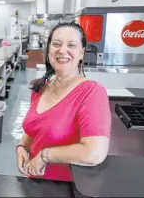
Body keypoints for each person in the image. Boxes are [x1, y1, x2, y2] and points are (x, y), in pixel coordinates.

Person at [16, 22, 111, 182]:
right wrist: (21, 147)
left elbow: (94, 153)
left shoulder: (91, 92)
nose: (62, 50)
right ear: (48, 51)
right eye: (56, 44)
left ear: (82, 53)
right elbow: (34, 128)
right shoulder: (40, 88)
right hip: (35, 181)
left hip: (65, 186)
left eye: (71, 45)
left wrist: (45, 155)